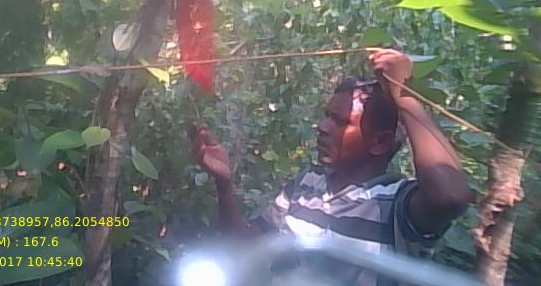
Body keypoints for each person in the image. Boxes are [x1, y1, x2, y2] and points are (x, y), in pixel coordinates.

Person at [190, 49, 473, 286]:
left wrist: (403, 94)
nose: (322, 127)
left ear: (380, 142)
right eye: (327, 116)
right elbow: (246, 245)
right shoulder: (306, 184)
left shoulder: (395, 205)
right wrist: (224, 185)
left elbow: (450, 196)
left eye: (340, 121)